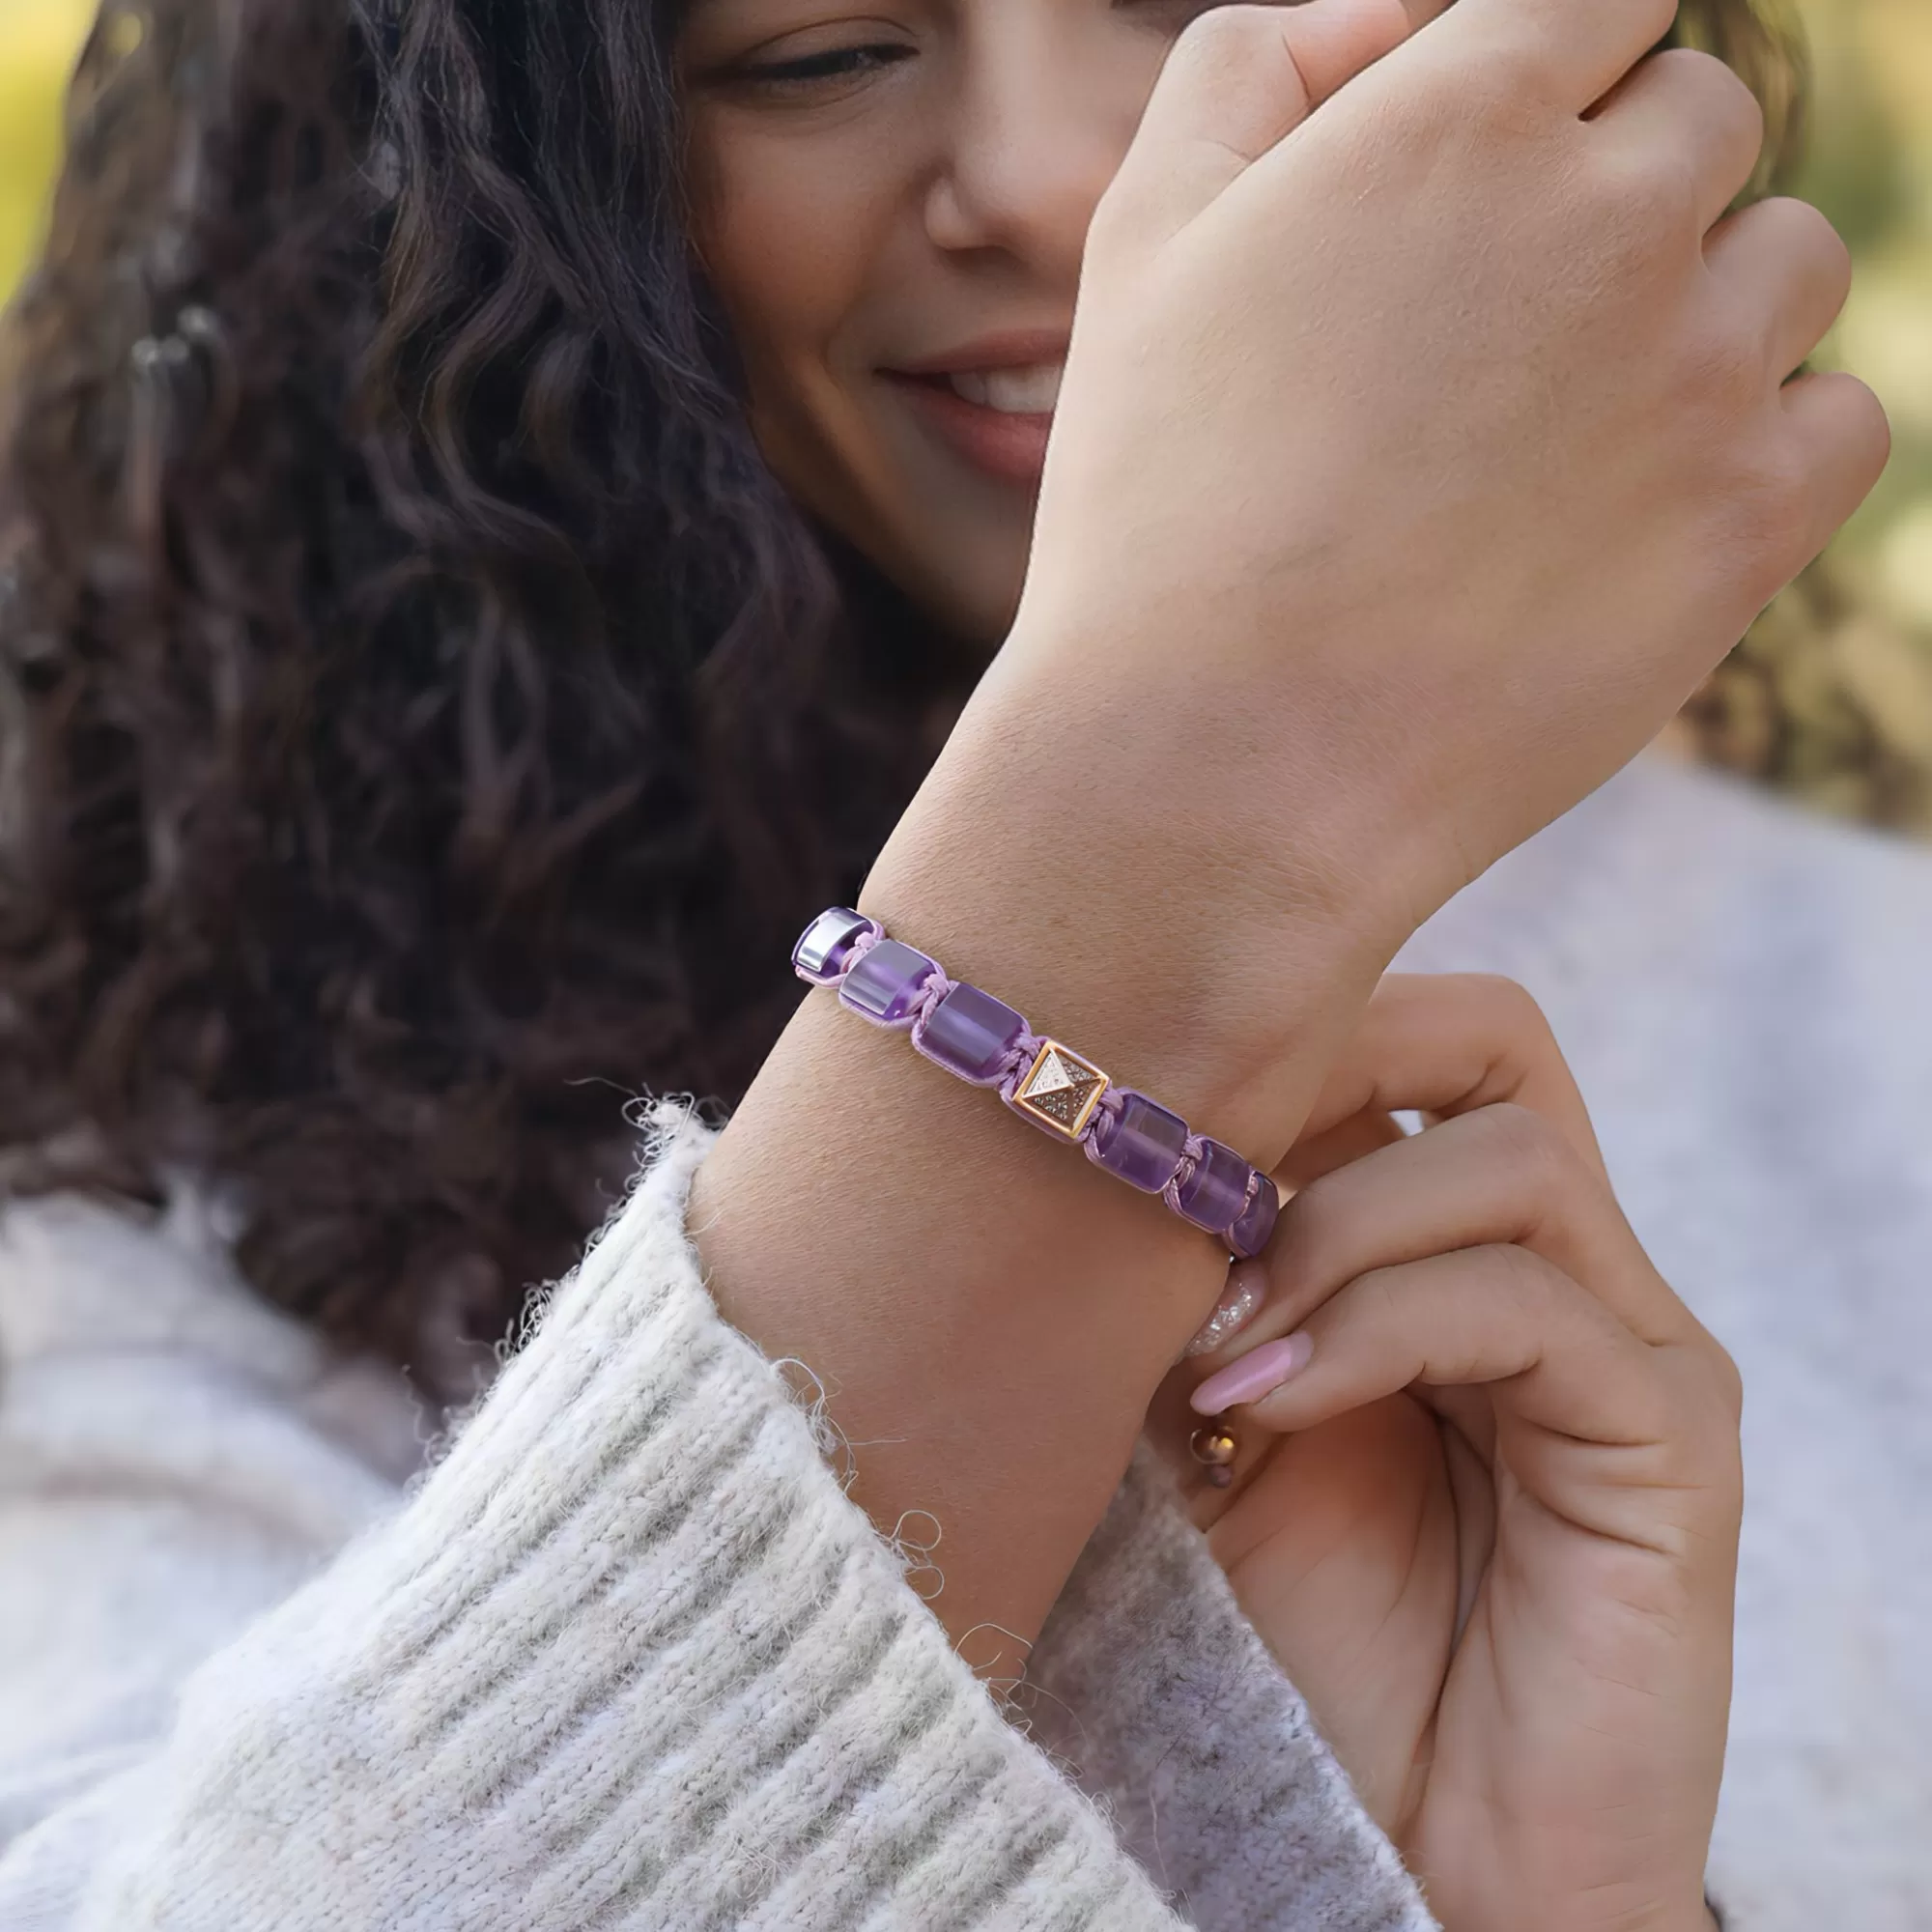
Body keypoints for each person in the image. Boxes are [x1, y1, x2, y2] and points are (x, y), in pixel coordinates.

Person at [0, 0, 1916, 1922]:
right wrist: (1158, 833)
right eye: (818, 52)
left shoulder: (1872, 996)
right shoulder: (142, 1124)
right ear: (526, 176)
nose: (1049, 177)